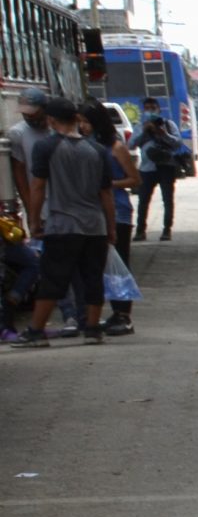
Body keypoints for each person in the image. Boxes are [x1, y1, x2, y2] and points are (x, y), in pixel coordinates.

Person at [23, 95, 114, 346]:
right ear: (76, 119)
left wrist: (34, 222)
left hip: (63, 225)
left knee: (53, 278)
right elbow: (106, 193)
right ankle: (93, 330)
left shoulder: (46, 147)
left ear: (51, 120)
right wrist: (111, 228)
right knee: (93, 278)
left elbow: (38, 187)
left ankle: (36, 332)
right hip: (95, 225)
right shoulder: (96, 150)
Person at [88, 103, 139, 337]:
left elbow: (133, 179)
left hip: (118, 212)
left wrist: (107, 185)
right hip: (93, 212)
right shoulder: (86, 146)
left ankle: (123, 314)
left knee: (119, 264)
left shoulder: (116, 147)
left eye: (85, 121)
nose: (81, 126)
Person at [132, 99, 183, 239]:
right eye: (147, 108)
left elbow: (178, 143)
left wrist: (163, 133)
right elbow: (131, 145)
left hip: (166, 166)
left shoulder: (168, 124)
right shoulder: (139, 126)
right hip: (147, 168)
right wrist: (144, 131)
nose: (150, 111)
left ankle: (167, 230)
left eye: (153, 108)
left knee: (167, 199)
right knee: (143, 200)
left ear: (159, 109)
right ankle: (140, 231)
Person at [9, 87, 48, 213]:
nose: (28, 117)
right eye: (25, 114)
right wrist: (30, 207)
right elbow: (19, 171)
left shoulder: (57, 128)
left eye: (32, 113)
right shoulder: (18, 133)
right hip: (40, 204)